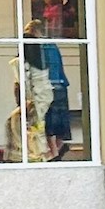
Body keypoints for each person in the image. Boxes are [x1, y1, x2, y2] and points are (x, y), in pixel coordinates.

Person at [24, 20, 71, 161]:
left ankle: (54, 153)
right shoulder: (52, 45)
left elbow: (40, 69)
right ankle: (58, 148)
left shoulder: (38, 47)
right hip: (60, 84)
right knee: (60, 121)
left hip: (47, 86)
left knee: (48, 121)